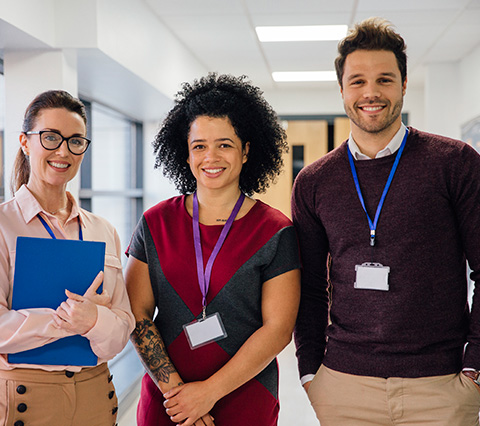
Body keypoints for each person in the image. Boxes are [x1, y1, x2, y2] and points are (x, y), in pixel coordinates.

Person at [292, 17, 480, 426]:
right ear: (342, 89)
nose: (371, 93)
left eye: (385, 79)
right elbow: (307, 288)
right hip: (343, 386)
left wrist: (475, 370)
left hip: (440, 385)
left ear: (404, 84)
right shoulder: (314, 181)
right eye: (357, 81)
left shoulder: (455, 163)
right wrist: (311, 373)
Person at [125, 73, 301, 426]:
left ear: (246, 150)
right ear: (185, 152)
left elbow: (278, 329)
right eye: (199, 145)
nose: (211, 156)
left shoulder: (275, 230)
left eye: (225, 144)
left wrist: (207, 393)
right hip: (167, 401)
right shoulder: (155, 223)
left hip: (245, 396)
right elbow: (137, 314)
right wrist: (178, 395)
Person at [0, 90, 135, 426]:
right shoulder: (4, 225)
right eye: (50, 138)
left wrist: (94, 322)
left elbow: (122, 329)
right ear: (25, 142)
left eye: (76, 141)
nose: (63, 151)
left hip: (95, 394)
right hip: (25, 398)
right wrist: (72, 320)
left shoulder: (102, 230)